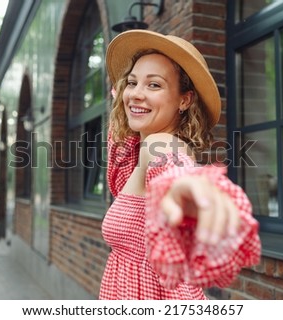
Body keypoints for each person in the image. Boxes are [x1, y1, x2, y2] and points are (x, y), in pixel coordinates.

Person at [99, 30, 261, 300]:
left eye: (154, 85)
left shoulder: (160, 144)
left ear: (184, 99)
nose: (136, 93)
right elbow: (120, 144)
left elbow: (174, 172)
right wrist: (125, 96)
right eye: (132, 83)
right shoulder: (140, 152)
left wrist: (187, 191)